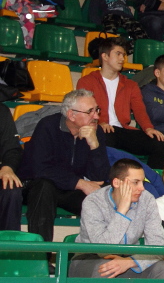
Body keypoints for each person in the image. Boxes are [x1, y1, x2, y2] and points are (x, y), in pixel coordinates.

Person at [3, 90, 108, 243]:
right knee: (44, 187)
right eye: (90, 111)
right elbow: (40, 169)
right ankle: (41, 252)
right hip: (34, 186)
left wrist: (94, 146)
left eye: (97, 110)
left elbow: (100, 177)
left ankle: (97, 251)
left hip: (69, 189)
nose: (96, 116)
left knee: (105, 196)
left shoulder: (96, 132)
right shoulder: (48, 126)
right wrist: (80, 183)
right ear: (71, 115)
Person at [77, 38, 164, 169]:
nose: (122, 58)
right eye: (118, 54)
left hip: (122, 131)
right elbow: (85, 110)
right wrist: (99, 123)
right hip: (99, 129)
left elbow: (139, 109)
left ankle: (153, 178)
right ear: (105, 56)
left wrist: (148, 128)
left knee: (159, 142)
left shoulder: (131, 85)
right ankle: (104, 177)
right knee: (104, 136)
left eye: (124, 55)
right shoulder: (87, 81)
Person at [0, 106, 24, 231]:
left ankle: (9, 240)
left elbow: (12, 149)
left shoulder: (1, 111)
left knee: (11, 187)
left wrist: (7, 168)